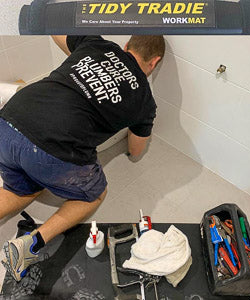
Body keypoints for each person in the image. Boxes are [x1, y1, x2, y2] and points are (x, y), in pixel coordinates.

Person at [0, 35, 165, 281]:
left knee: (25, 188)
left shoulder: (98, 44)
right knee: (96, 193)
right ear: (154, 62)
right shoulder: (144, 101)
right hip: (51, 149)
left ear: (126, 46)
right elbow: (136, 151)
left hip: (8, 122)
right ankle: (30, 246)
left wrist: (83, 68)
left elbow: (56, 32)